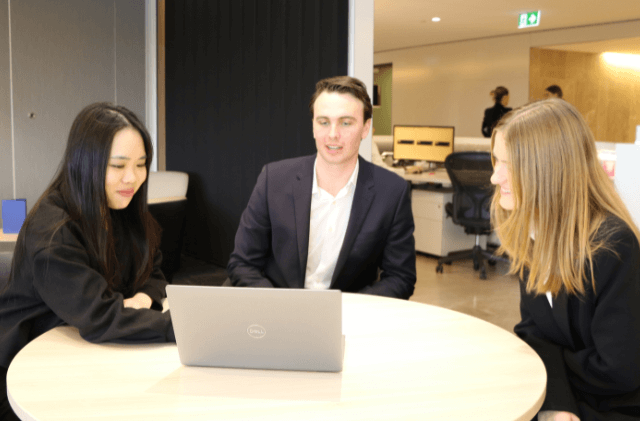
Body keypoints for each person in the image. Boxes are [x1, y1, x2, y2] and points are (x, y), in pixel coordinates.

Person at [0, 103, 175, 420]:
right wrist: (181, 328)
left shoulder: (121, 209)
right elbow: (102, 318)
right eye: (118, 166)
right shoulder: (53, 231)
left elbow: (156, 270)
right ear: (86, 164)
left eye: (141, 164)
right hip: (25, 371)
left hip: (87, 353)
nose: (132, 178)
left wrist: (141, 298)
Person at [490, 99, 640, 421]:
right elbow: (533, 332)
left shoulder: (614, 246)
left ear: (548, 170)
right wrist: (557, 402)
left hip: (612, 407)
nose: (494, 177)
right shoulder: (530, 230)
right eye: (496, 161)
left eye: (509, 165)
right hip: (566, 397)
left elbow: (618, 369)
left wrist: (554, 385)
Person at [227, 76, 416, 299]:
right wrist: (277, 307)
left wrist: (347, 310)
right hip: (276, 309)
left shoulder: (392, 191)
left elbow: (400, 277)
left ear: (365, 128)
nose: (333, 134)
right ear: (314, 126)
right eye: (324, 122)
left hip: (349, 316)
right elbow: (243, 263)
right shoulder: (274, 179)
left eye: (346, 123)